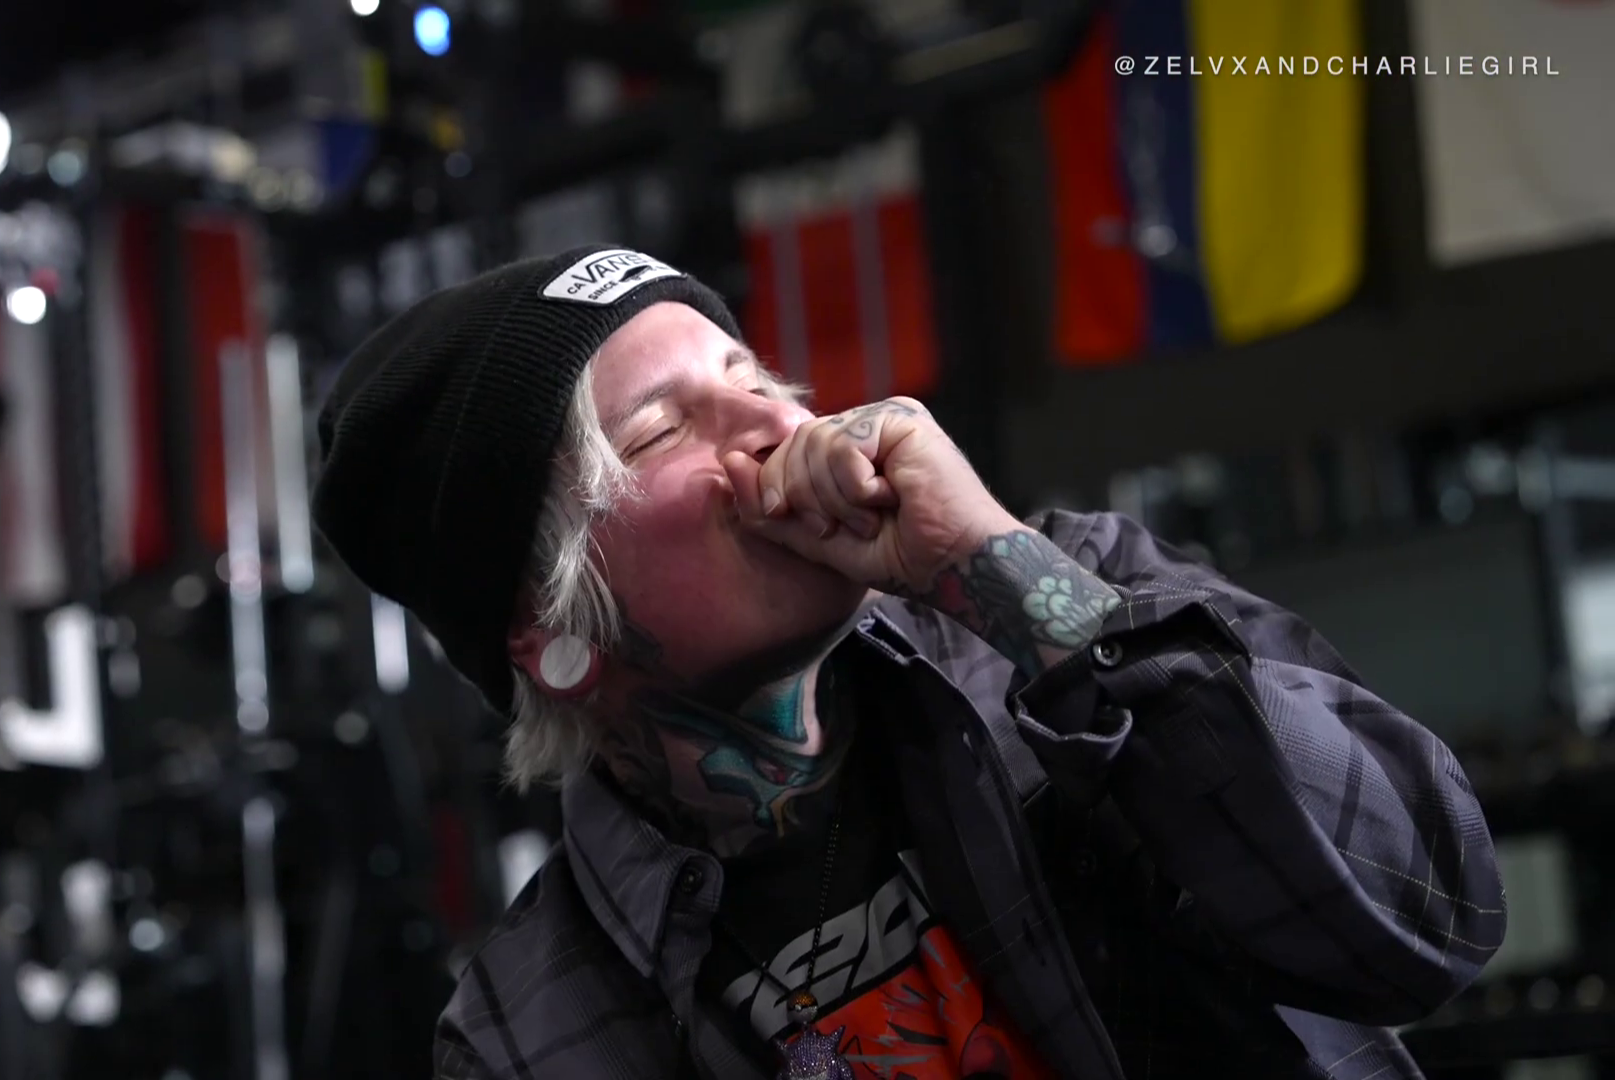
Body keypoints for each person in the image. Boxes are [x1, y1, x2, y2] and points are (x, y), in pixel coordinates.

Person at [311, 246, 1505, 1080]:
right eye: (664, 427)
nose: (778, 424)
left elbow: (1432, 916)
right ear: (548, 629)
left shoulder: (1090, 594)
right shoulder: (528, 1034)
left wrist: (1002, 572)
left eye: (754, 380)